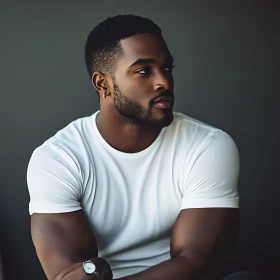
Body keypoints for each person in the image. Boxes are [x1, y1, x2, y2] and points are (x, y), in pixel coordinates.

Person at [27, 15, 260, 280]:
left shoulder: (207, 145)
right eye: (143, 71)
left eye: (167, 68)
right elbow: (67, 274)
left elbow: (198, 263)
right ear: (103, 84)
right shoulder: (58, 158)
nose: (164, 82)